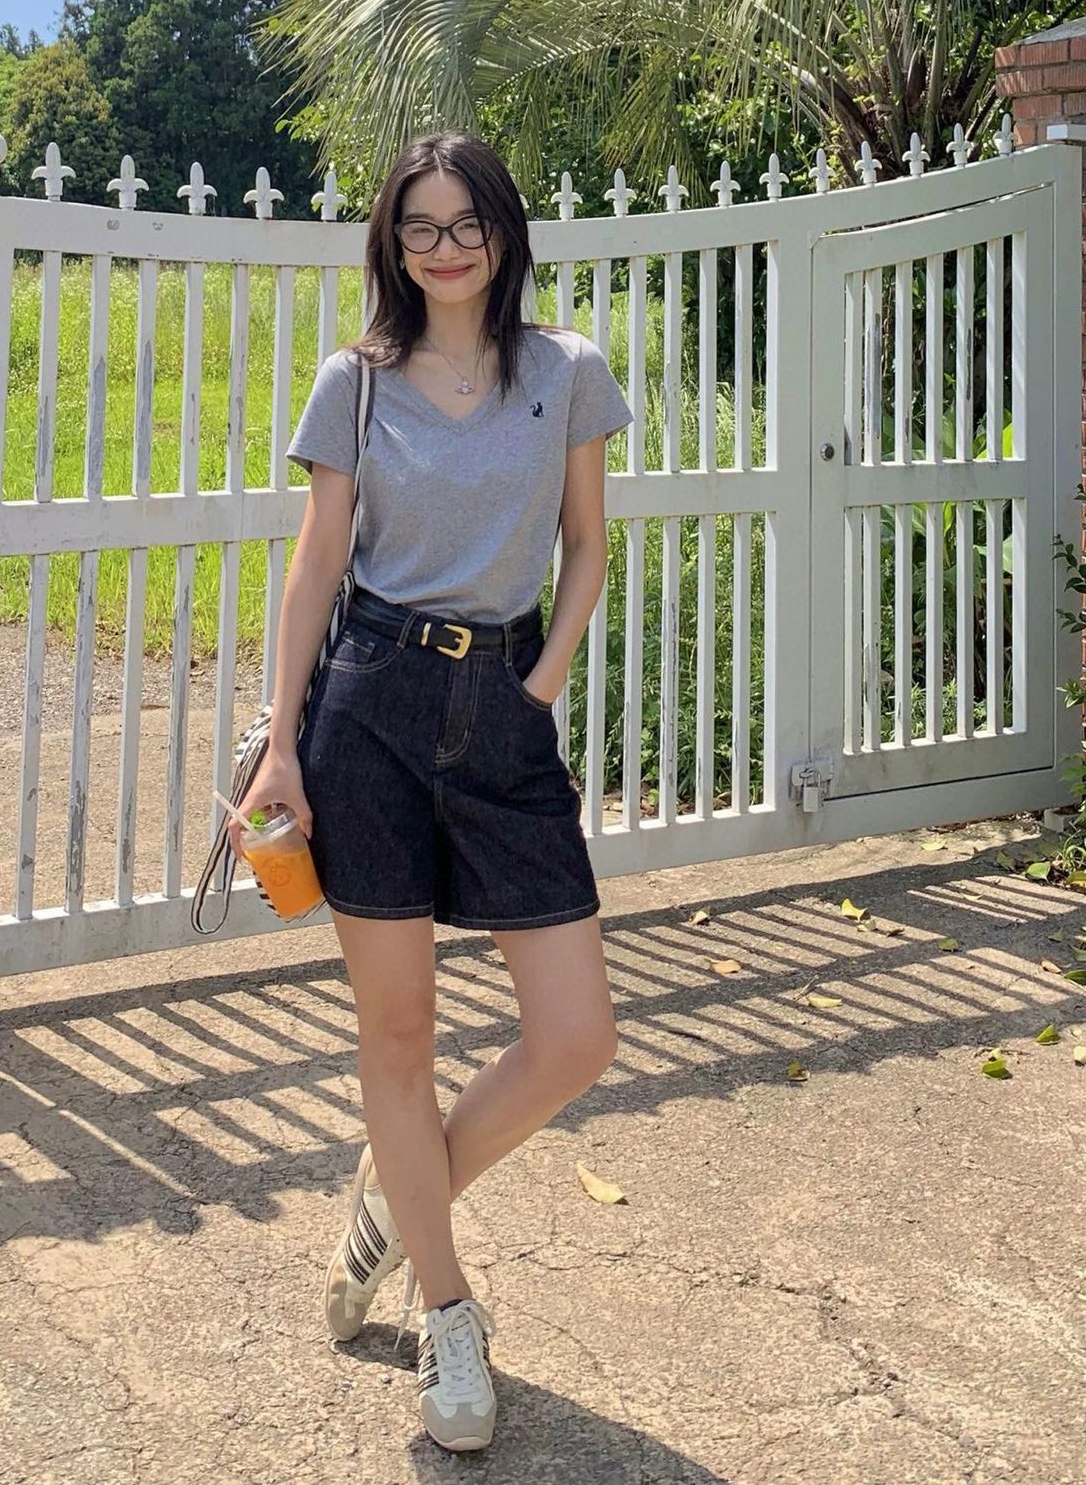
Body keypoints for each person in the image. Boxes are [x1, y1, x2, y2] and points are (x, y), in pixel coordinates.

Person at [224, 130, 634, 1453]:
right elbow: (316, 566)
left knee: (576, 1038)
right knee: (398, 1039)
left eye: (467, 223)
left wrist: (541, 682)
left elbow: (586, 543)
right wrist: (280, 744)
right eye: (419, 227)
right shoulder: (354, 382)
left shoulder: (565, 371)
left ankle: (393, 1205)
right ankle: (449, 1313)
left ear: (504, 232)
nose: (445, 248)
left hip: (503, 707)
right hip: (372, 708)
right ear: (390, 245)